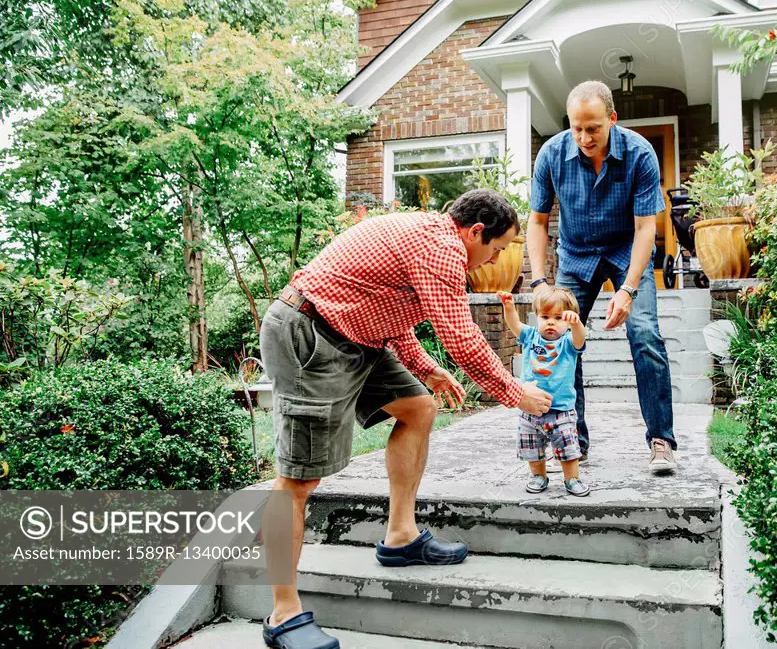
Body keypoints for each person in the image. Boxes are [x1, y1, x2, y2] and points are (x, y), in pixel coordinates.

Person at [258, 189, 553, 649]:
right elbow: (460, 336)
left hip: (359, 336)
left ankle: (400, 536)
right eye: (494, 249)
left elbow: (390, 310)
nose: (491, 260)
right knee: (297, 481)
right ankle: (283, 613)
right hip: (310, 333)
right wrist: (515, 392)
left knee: (419, 407)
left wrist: (425, 368)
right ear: (475, 232)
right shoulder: (442, 248)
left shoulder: (429, 238)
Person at [527, 79, 678, 476]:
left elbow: (647, 227)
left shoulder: (640, 154)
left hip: (626, 249)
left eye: (592, 128)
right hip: (575, 256)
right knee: (559, 340)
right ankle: (573, 439)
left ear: (612, 119)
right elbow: (538, 220)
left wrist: (627, 289)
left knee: (645, 335)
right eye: (576, 127)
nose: (583, 137)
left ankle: (661, 441)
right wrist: (540, 280)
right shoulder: (551, 155)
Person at [497, 287, 590, 497]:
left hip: (560, 410)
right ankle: (538, 475)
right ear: (537, 317)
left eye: (558, 317)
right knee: (532, 447)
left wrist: (576, 324)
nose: (550, 322)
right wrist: (509, 307)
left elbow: (580, 339)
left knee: (568, 448)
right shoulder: (530, 337)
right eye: (545, 316)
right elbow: (514, 325)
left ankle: (572, 478)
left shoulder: (567, 342)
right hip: (530, 409)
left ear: (567, 322)